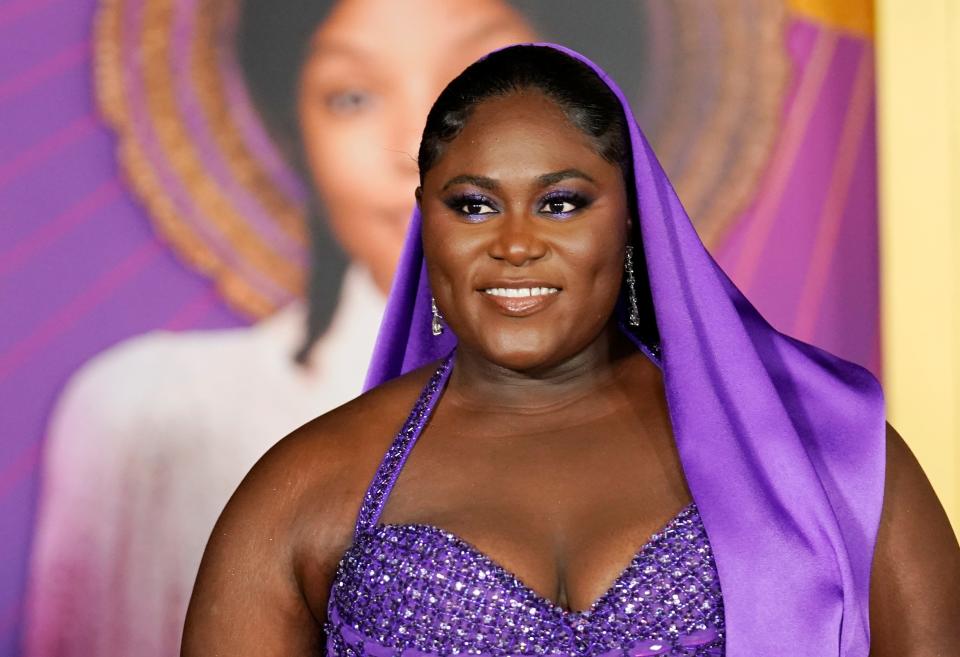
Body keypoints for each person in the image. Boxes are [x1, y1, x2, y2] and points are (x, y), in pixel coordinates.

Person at [181, 44, 960, 656]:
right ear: (427, 222)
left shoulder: (831, 450)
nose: (516, 243)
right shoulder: (305, 488)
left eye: (561, 203)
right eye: (474, 205)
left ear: (631, 217)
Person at [22, 3, 537, 656]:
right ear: (295, 134)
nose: (418, 145)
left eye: (484, 82)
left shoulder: (685, 424)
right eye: (352, 97)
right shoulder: (155, 415)